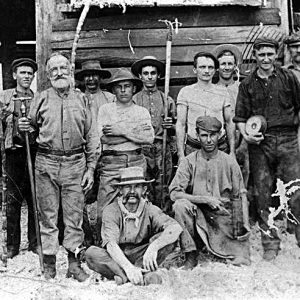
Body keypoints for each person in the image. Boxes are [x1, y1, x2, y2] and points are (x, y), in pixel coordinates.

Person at [18, 52, 98, 281]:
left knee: (74, 218)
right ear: (47, 74)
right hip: (46, 164)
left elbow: (92, 136)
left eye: (63, 68)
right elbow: (29, 130)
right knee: (48, 217)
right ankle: (50, 263)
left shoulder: (83, 100)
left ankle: (73, 265)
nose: (59, 73)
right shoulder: (40, 98)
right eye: (53, 69)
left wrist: (90, 168)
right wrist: (23, 126)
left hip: (75, 164)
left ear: (70, 71)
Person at [234, 36, 300, 261]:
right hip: (260, 144)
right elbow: (241, 117)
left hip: (288, 140)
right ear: (255, 56)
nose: (265, 59)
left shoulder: (289, 77)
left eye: (270, 54)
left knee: (296, 190)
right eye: (261, 54)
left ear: (277, 55)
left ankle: (299, 238)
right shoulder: (247, 84)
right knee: (262, 194)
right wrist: (246, 136)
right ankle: (270, 244)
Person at [170, 116, 250, 270]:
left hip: (223, 219)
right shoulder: (188, 161)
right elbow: (174, 194)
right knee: (180, 206)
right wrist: (204, 199)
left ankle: (222, 248)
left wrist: (244, 230)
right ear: (197, 135)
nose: (208, 140)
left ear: (219, 135)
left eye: (212, 135)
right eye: (204, 135)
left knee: (240, 261)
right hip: (198, 217)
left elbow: (240, 196)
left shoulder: (229, 162)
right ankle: (191, 254)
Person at [85, 166, 182, 285]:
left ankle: (128, 276)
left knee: (168, 239)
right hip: (117, 256)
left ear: (144, 189)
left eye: (137, 187)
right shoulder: (111, 211)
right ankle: (135, 275)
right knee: (91, 253)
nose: (132, 191)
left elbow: (175, 227)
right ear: (120, 190)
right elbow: (111, 245)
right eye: (127, 187)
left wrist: (153, 247)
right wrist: (129, 268)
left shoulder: (150, 209)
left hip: (142, 255)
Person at [96, 68, 154, 244]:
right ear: (113, 89)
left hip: (136, 161)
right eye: (119, 87)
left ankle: (135, 244)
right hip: (112, 162)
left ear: (134, 88)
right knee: (105, 206)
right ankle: (105, 245)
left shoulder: (141, 112)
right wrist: (134, 132)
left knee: (137, 202)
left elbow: (148, 139)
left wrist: (121, 130)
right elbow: (105, 138)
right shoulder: (106, 109)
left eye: (127, 86)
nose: (123, 90)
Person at [0, 58, 38, 258]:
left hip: (33, 151)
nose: (26, 77)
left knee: (34, 198)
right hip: (13, 153)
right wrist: (9, 120)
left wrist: (32, 127)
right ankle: (12, 244)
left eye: (29, 74)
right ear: (15, 75)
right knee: (13, 199)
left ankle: (34, 242)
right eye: (22, 73)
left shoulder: (38, 98)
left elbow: (43, 121)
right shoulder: (5, 97)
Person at [75, 60, 113, 247]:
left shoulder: (109, 98)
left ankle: (104, 237)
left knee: (105, 197)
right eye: (87, 76)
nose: (91, 79)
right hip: (84, 155)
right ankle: (86, 238)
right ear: (82, 79)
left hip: (107, 155)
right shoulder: (77, 98)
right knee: (81, 195)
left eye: (94, 75)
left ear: (100, 77)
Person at [131, 56, 176, 209]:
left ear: (159, 75)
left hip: (162, 148)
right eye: (145, 73)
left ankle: (164, 221)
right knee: (144, 187)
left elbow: (175, 129)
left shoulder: (166, 100)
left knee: (163, 187)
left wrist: (170, 126)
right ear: (140, 76)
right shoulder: (134, 100)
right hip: (141, 149)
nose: (149, 77)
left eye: (153, 73)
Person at [176, 52, 235, 163]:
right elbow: (181, 124)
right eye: (202, 67)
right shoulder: (185, 92)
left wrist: (232, 152)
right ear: (195, 70)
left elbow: (229, 122)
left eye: (210, 67)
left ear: (215, 70)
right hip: (193, 147)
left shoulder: (223, 92)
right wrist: (181, 154)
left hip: (219, 147)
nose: (207, 71)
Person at [213, 44, 250, 188]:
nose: (226, 67)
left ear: (235, 66)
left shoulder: (242, 88)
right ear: (217, 67)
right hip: (220, 140)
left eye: (230, 64)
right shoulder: (213, 89)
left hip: (242, 139)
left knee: (243, 176)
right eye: (223, 64)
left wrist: (244, 142)